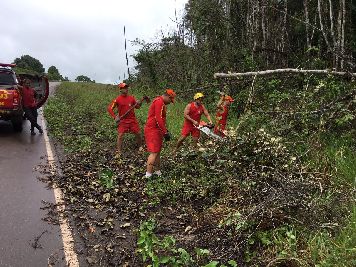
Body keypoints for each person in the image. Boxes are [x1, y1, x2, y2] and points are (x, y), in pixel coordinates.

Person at [144, 89, 176, 178]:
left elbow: (161, 119)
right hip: (153, 129)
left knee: (157, 152)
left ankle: (158, 172)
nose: (170, 102)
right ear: (168, 96)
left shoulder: (160, 102)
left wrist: (164, 130)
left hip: (157, 130)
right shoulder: (159, 102)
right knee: (154, 152)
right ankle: (148, 175)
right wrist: (165, 132)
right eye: (170, 100)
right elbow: (158, 118)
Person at [107, 82, 143, 155]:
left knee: (138, 133)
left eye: (127, 87)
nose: (126, 89)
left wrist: (140, 103)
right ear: (120, 90)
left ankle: (140, 147)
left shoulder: (131, 98)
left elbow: (137, 107)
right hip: (123, 120)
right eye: (124, 88)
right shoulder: (117, 100)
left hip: (132, 119)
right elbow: (110, 109)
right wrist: (114, 117)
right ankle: (119, 151)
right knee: (120, 136)